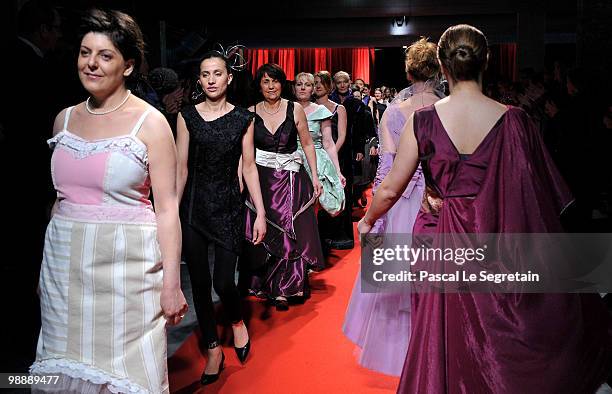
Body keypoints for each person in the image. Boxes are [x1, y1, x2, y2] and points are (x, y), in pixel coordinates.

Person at [359, 24, 611, 393]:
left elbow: (391, 188)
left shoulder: (423, 120)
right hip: (498, 235)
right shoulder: (516, 119)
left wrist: (367, 222)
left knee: (444, 330)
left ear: (443, 67)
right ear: (487, 61)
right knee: (495, 328)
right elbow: (536, 192)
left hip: (439, 239)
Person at [30, 10, 187, 393]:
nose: (91, 64)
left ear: (128, 65)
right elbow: (58, 202)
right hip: (65, 269)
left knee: (131, 375)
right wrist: (44, 267)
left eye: (105, 55)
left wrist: (171, 283)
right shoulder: (63, 120)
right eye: (85, 53)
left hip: (127, 273)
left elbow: (166, 209)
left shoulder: (150, 123)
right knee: (61, 368)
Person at [343, 37, 443, 376]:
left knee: (399, 283)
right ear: (439, 70)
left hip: (401, 201)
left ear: (408, 71)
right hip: (442, 204)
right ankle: (438, 351)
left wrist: (374, 218)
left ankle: (406, 355)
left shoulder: (395, 112)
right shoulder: (451, 109)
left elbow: (387, 171)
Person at [176, 50, 267, 385]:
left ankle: (237, 320)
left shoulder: (244, 118)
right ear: (199, 80)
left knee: (224, 282)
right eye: (205, 74)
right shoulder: (186, 116)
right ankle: (213, 348)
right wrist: (171, 209)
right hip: (194, 208)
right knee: (198, 283)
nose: (211, 80)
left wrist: (259, 211)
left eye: (217, 73)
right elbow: (181, 168)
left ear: (229, 78)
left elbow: (249, 166)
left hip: (229, 207)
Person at [0, 0, 62, 372]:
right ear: (42, 30)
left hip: (15, 179)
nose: (57, 36)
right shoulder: (34, 67)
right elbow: (38, 131)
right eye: (55, 29)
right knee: (27, 263)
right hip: (26, 181)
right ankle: (22, 353)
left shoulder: (9, 57)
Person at [243, 63, 323, 311]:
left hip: (291, 179)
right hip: (262, 181)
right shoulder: (249, 113)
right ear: (259, 85)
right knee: (268, 231)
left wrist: (316, 176)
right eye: (266, 82)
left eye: (275, 81)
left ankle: (286, 288)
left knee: (291, 231)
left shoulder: (295, 109)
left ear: (282, 84)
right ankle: (268, 284)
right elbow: (244, 156)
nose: (271, 86)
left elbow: (308, 144)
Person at [294, 72, 346, 216]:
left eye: (308, 85)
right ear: (294, 88)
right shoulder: (287, 108)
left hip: (317, 161)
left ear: (313, 89)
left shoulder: (321, 111)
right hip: (292, 159)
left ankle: (310, 237)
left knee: (313, 206)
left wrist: (338, 170)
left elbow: (328, 143)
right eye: (299, 84)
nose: (303, 88)